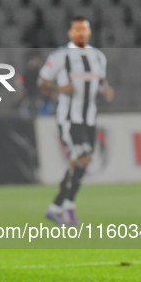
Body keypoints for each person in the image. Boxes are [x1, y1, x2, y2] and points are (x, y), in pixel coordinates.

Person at [37, 16, 114, 226]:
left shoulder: (98, 56)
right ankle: (68, 207)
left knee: (80, 161)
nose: (81, 33)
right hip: (69, 118)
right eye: (77, 29)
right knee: (83, 156)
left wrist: (104, 90)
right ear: (70, 33)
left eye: (84, 29)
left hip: (90, 118)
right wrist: (60, 89)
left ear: (89, 32)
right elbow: (42, 80)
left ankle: (56, 207)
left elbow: (99, 81)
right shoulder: (61, 56)